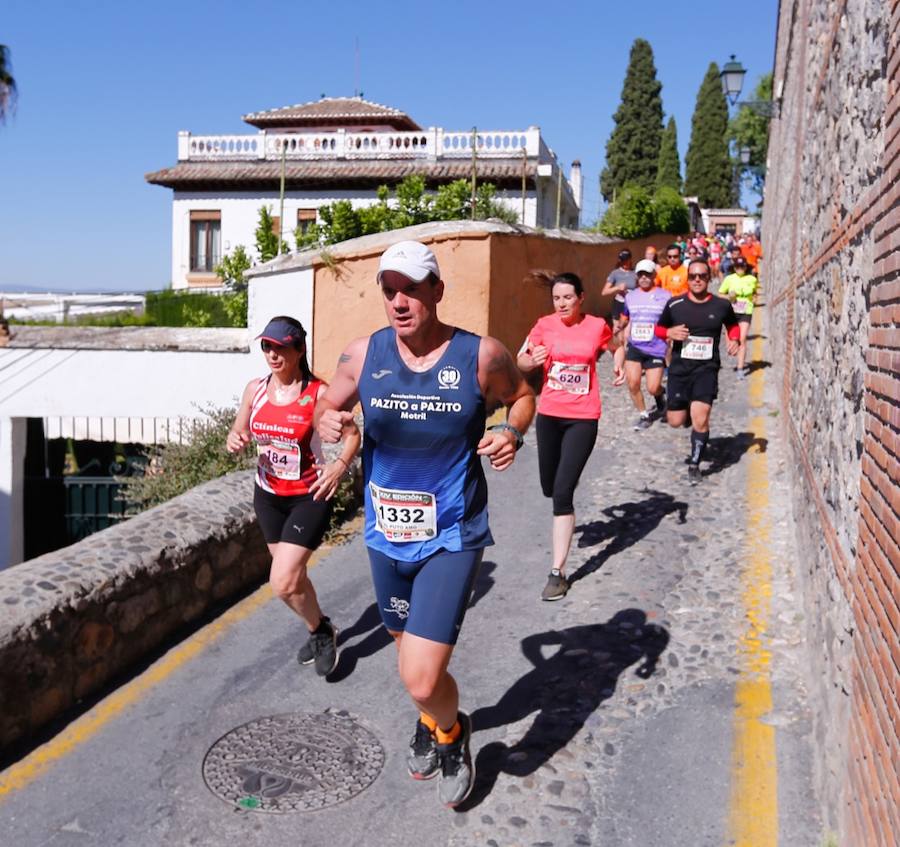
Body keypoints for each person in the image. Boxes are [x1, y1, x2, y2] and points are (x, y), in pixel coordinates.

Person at [315, 240, 535, 808]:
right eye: (390, 290)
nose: (399, 300)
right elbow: (326, 410)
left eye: (412, 287)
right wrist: (331, 422)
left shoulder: (480, 355)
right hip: (385, 532)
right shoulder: (363, 354)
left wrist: (511, 433)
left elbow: (522, 397)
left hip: (451, 532)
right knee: (407, 652)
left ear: (437, 290)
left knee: (418, 674)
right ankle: (436, 718)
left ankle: (453, 734)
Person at [226, 316, 361, 676]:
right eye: (266, 346)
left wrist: (339, 466)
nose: (272, 354)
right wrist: (235, 439)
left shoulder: (319, 394)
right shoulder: (254, 389)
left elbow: (352, 434)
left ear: (300, 349)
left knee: (283, 580)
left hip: (308, 496)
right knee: (294, 577)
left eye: (280, 347)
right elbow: (238, 429)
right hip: (268, 495)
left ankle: (318, 630)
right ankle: (322, 629)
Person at [517, 272, 620, 601]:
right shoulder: (543, 325)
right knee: (549, 485)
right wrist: (530, 362)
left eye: (567, 298)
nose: (561, 303)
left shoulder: (595, 326)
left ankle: (557, 573)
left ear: (581, 298)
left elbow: (615, 345)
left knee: (562, 493)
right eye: (556, 298)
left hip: (583, 418)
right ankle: (560, 499)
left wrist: (618, 363)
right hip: (549, 415)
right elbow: (521, 359)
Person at [655, 260, 740, 484]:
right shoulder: (675, 304)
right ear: (687, 278)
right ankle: (683, 414)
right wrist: (670, 332)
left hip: (706, 369)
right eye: (693, 276)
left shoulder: (721, 306)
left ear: (709, 277)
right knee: (675, 420)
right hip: (679, 370)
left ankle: (695, 464)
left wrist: (735, 339)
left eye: (702, 276)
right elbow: (658, 328)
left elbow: (733, 325)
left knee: (700, 418)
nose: (697, 280)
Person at [617, 259, 671, 429]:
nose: (644, 278)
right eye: (640, 274)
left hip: (656, 348)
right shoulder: (631, 296)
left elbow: (673, 318)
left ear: (654, 275)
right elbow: (625, 316)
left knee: (653, 387)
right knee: (632, 383)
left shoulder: (665, 296)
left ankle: (661, 396)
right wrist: (621, 325)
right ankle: (644, 415)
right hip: (635, 346)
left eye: (647, 274)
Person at [718, 256, 759, 377]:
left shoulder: (752, 279)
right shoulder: (729, 279)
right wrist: (729, 298)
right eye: (737, 267)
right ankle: (732, 347)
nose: (740, 269)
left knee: (742, 338)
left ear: (746, 267)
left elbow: (754, 293)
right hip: (731, 312)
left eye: (742, 266)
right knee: (731, 338)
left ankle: (740, 368)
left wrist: (754, 299)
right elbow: (720, 294)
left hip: (746, 311)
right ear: (734, 267)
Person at [601, 249, 637, 332]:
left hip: (631, 304)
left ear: (630, 259)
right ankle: (620, 344)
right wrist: (617, 288)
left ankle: (625, 344)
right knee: (617, 331)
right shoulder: (615, 273)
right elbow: (604, 292)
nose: (624, 262)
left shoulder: (635, 273)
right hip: (619, 304)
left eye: (626, 260)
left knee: (629, 331)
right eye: (622, 260)